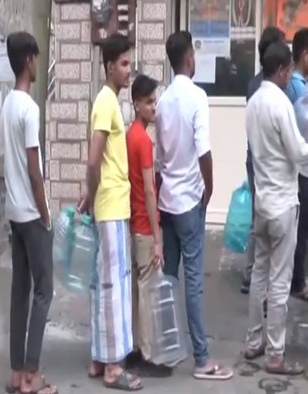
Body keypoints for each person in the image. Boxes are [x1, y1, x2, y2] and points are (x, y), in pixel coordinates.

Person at [243, 41, 308, 375]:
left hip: (262, 203)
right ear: (283, 70)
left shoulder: (253, 102)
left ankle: (254, 342)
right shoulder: (280, 104)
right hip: (283, 203)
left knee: (259, 275)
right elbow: (299, 153)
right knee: (280, 282)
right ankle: (275, 355)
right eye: (288, 72)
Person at [155, 31, 233, 381]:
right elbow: (204, 149)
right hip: (189, 202)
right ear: (189, 57)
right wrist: (210, 187)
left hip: (167, 201)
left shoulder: (162, 101)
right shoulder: (197, 97)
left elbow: (159, 160)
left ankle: (165, 351)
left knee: (167, 279)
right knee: (192, 282)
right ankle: (201, 359)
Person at [80, 33, 143, 391]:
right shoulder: (106, 102)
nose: (128, 69)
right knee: (114, 287)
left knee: (103, 283)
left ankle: (98, 359)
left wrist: (91, 191)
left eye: (129, 63)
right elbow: (94, 158)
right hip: (112, 204)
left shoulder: (109, 101)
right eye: (122, 64)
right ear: (108, 67)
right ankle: (114, 368)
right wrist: (90, 192)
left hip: (110, 203)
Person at [1, 32, 57, 394]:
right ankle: (32, 376)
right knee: (44, 291)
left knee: (20, 292)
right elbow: (34, 169)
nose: (37, 64)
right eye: (35, 58)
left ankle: (16, 372)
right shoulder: (30, 108)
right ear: (28, 61)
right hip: (31, 214)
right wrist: (46, 213)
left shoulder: (7, 104)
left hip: (12, 213)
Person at [125, 74, 171, 377]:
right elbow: (149, 188)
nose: (154, 106)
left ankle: (137, 349)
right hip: (143, 223)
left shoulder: (130, 135)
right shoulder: (142, 139)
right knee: (146, 292)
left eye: (155, 101)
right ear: (137, 104)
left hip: (134, 222)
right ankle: (147, 354)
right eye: (149, 102)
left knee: (137, 292)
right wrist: (158, 237)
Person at [241, 26, 285, 294]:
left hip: (254, 159)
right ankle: (256, 274)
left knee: (258, 216)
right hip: (267, 163)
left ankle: (251, 273)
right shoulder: (269, 88)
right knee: (265, 219)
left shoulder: (252, 83)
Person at [284, 28, 308, 303]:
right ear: (305, 54)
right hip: (300, 163)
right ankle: (296, 280)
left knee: (307, 215)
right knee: (305, 216)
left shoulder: (302, 84)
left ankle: (295, 275)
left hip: (306, 160)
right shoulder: (296, 85)